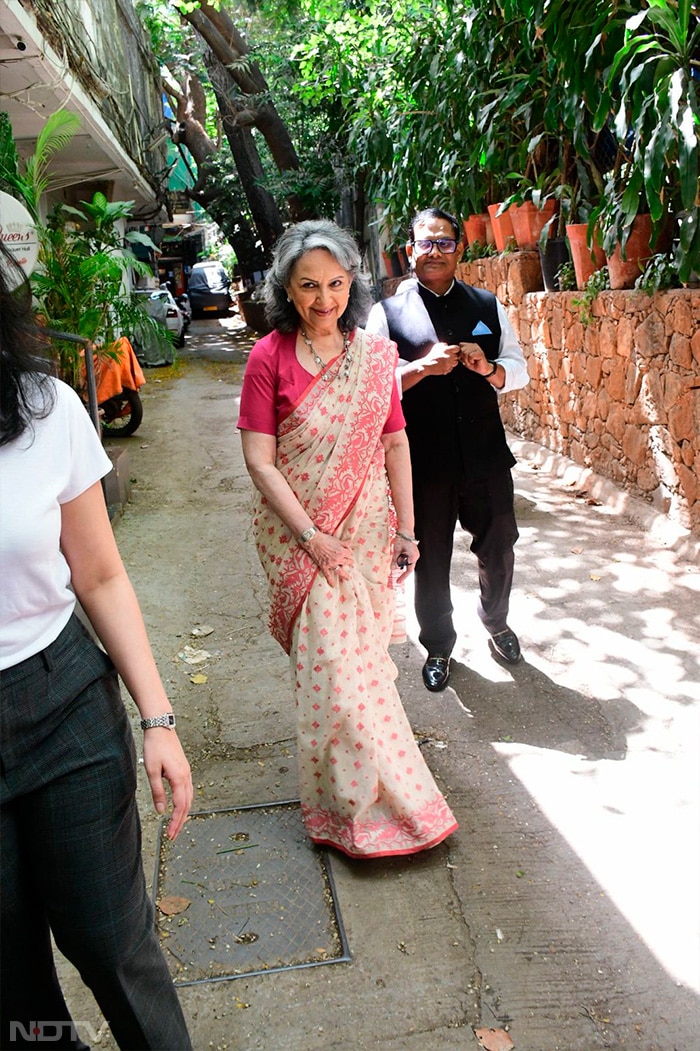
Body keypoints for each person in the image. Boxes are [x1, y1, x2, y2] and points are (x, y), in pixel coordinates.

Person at [0, 246, 193, 1050]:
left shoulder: (44, 409)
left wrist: (159, 718)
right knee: (11, 982)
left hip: (61, 703)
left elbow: (102, 574)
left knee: (114, 944)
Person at [237, 219, 458, 858]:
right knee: (331, 671)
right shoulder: (267, 358)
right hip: (299, 540)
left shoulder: (371, 358)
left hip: (363, 535)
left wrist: (409, 531)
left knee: (359, 673)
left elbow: (394, 443)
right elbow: (261, 461)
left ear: (352, 284)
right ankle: (355, 809)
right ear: (287, 288)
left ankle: (378, 803)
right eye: (309, 286)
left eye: (336, 283)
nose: (324, 299)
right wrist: (311, 537)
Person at [365, 207, 529, 692]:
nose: (434, 251)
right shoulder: (387, 314)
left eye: (444, 242)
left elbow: (517, 368)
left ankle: (495, 621)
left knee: (500, 543)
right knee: (429, 558)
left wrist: (488, 370)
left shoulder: (486, 304)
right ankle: (438, 644)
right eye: (425, 243)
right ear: (410, 250)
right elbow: (371, 387)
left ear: (459, 248)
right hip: (422, 463)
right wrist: (418, 370)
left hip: (485, 456)